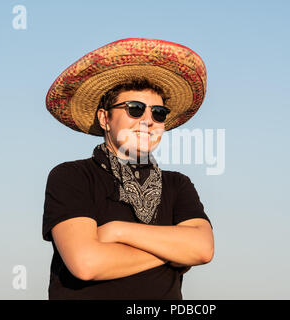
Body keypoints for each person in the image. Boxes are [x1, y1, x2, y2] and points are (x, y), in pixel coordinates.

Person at [42, 38, 214, 300]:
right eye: (135, 109)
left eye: (158, 113)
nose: (148, 120)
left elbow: (203, 249)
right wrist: (173, 253)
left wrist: (116, 230)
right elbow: (86, 263)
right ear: (104, 118)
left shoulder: (177, 184)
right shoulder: (72, 176)